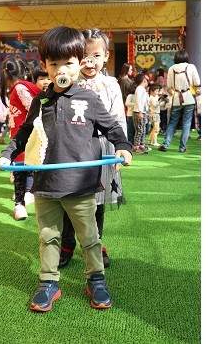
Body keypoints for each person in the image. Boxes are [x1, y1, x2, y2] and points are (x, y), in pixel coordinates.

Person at [0, 26, 133, 312]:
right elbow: (24, 132)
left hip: (80, 184)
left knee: (90, 237)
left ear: (80, 63)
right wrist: (8, 153)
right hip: (46, 185)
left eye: (69, 63)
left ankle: (96, 279)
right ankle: (48, 282)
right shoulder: (41, 100)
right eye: (54, 63)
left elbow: (111, 127)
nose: (62, 69)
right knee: (48, 236)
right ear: (44, 65)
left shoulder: (90, 99)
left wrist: (123, 146)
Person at [58, 28, 127, 270]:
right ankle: (67, 244)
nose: (90, 62)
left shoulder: (111, 85)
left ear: (106, 56)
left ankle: (95, 243)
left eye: (96, 56)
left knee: (97, 201)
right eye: (85, 56)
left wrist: (120, 148)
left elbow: (118, 118)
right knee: (69, 197)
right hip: (73, 149)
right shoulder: (68, 82)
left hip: (102, 149)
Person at [0, 57, 42, 219]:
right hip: (24, 136)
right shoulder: (24, 87)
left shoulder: (19, 88)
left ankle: (20, 203)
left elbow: (32, 107)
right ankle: (23, 200)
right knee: (24, 170)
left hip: (24, 136)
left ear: (6, 76)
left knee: (20, 171)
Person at [158, 49, 201, 153]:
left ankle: (165, 144)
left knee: (172, 122)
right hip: (189, 98)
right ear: (186, 57)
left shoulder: (171, 69)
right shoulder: (191, 67)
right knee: (186, 123)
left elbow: (169, 86)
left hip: (176, 98)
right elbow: (197, 82)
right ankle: (182, 147)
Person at [132, 73, 150, 154]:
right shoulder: (139, 89)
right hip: (139, 112)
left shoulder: (142, 89)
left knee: (143, 130)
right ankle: (136, 146)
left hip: (143, 112)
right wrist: (140, 111)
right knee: (139, 130)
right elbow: (138, 101)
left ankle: (142, 145)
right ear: (144, 81)